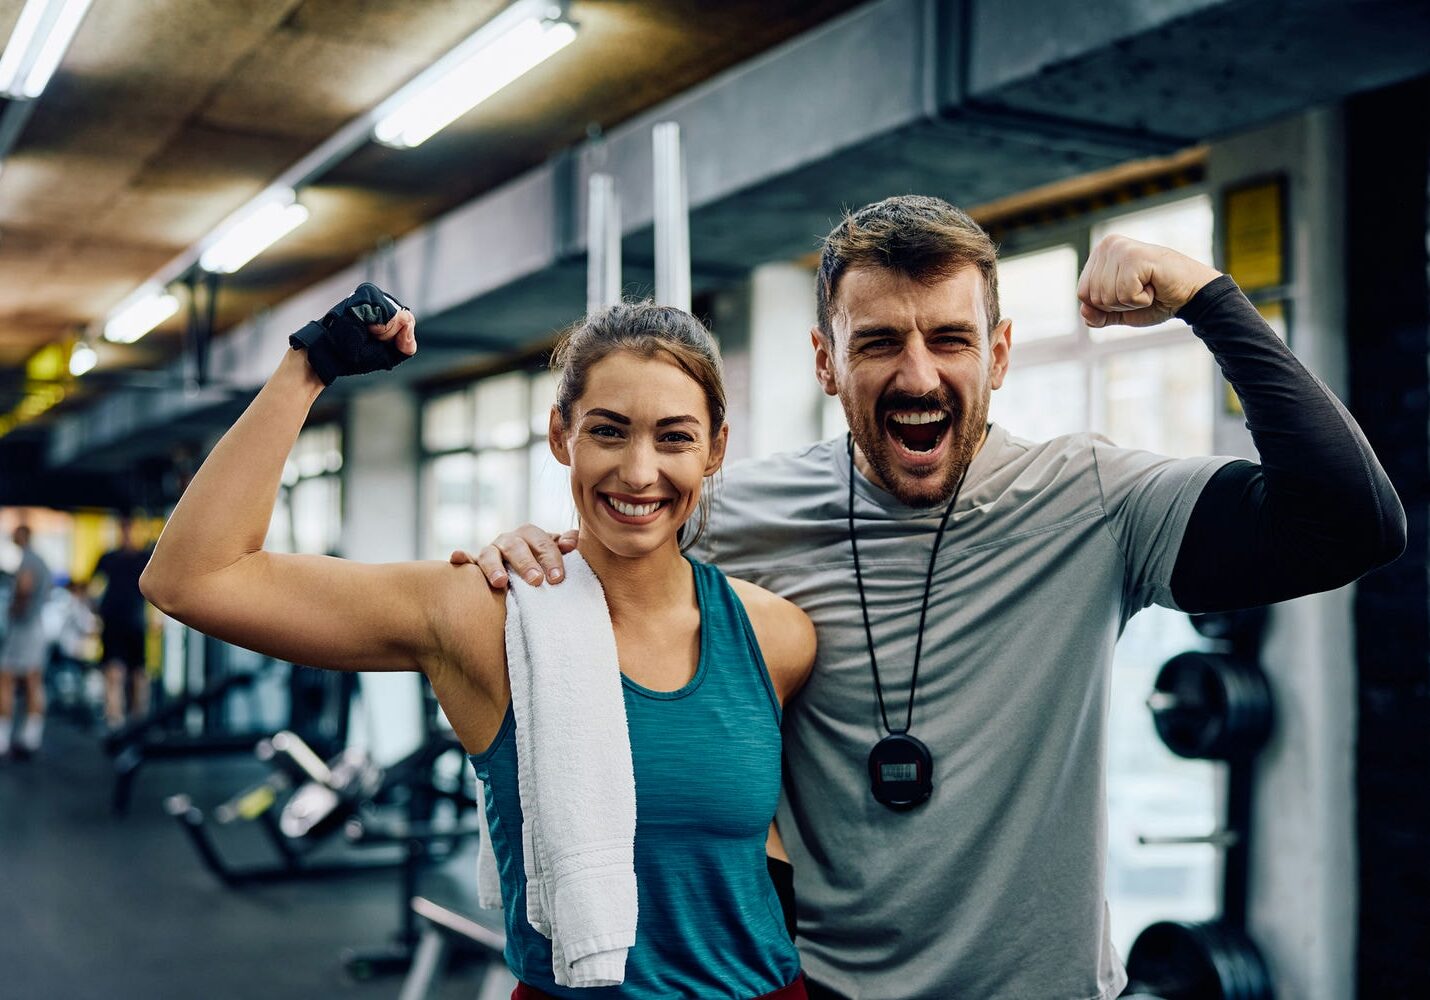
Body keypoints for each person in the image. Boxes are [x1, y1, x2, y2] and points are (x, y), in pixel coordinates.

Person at [459, 195, 1407, 999]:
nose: (918, 374)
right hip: (817, 990)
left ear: (998, 353)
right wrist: (540, 553)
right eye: (877, 342)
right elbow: (617, 541)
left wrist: (1208, 299)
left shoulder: (1097, 501)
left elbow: (1351, 524)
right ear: (828, 362)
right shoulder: (735, 515)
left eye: (949, 338)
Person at [139, 290, 817, 999]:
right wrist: (310, 365)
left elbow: (758, 852)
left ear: (716, 449)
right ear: (561, 437)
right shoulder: (484, 613)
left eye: (674, 437)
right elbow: (194, 578)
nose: (640, 471)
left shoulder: (776, 636)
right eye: (609, 432)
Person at [92, 518, 155, 728]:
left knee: (138, 673)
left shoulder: (144, 558)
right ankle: (115, 720)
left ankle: (139, 721)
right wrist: (95, 611)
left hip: (135, 623)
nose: (127, 533)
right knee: (113, 671)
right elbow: (93, 586)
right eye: (124, 528)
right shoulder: (108, 558)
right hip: (113, 622)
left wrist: (156, 617)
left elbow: (155, 588)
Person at [0, 525, 55, 758]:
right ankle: (30, 736)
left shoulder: (29, 560)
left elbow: (24, 587)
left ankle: (3, 738)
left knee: (6, 678)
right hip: (36, 627)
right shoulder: (40, 561)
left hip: (25, 627)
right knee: (34, 680)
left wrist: (13, 609)